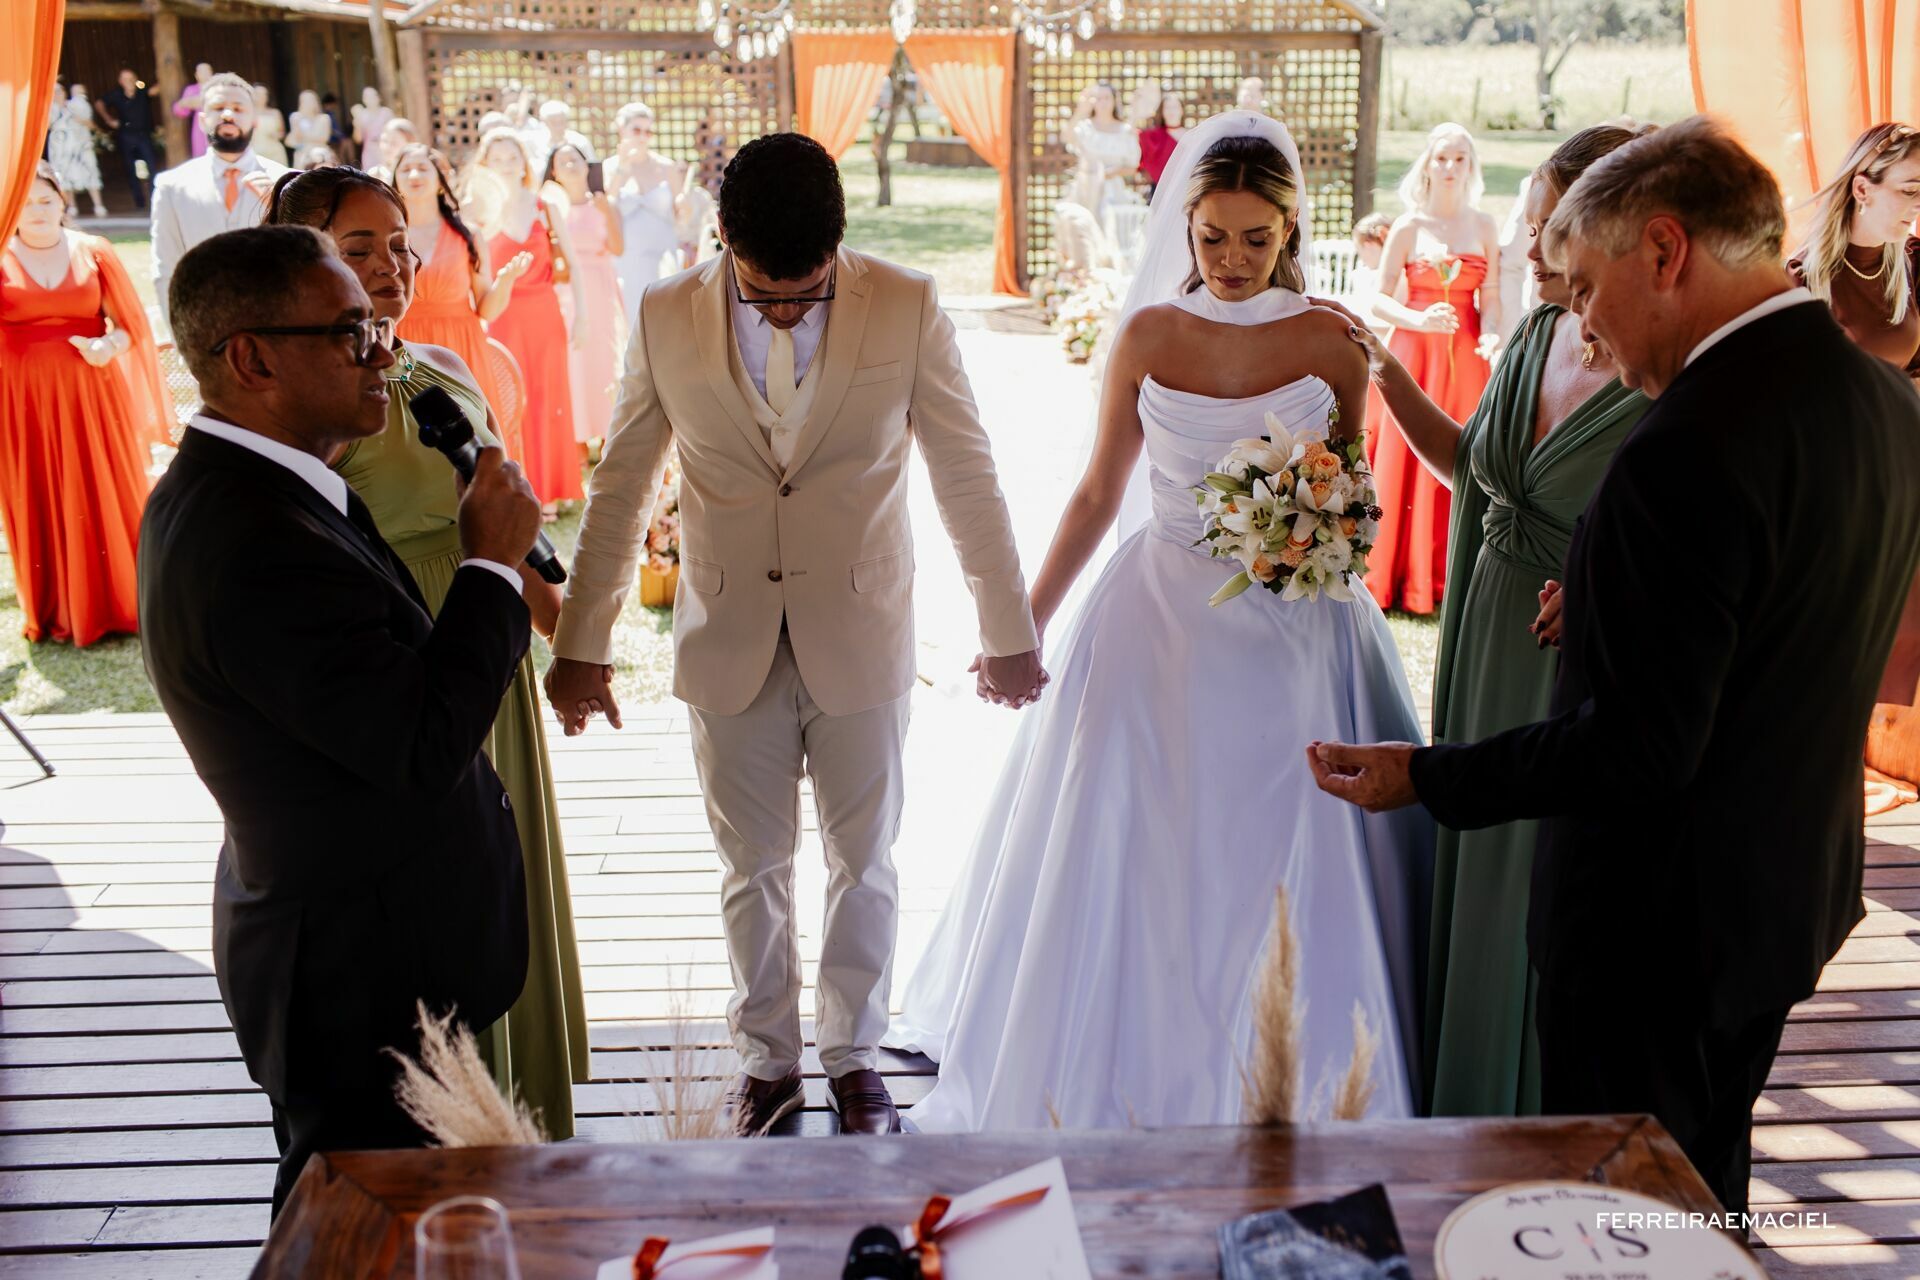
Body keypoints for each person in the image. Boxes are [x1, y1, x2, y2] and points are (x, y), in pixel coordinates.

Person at [1306, 117, 1920, 1215]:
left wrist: (1428, 775)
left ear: (1666, 252)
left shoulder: (1678, 452)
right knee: (1705, 1185)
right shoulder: (1881, 400)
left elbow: (1636, 748)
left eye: (1585, 285)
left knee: (1618, 1216)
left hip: (1654, 933)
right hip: (1782, 899)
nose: (1579, 321)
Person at [891, 113, 1432, 1133]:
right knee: (1138, 832)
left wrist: (1310, 540)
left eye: (1254, 239)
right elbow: (1100, 491)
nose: (1231, 260)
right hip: (1160, 624)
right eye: (1212, 237)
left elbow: (1347, 490)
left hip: (1297, 626)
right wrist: (1026, 624)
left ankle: (1307, 1049)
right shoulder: (1145, 336)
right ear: (1183, 228)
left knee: (1294, 830)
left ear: (1289, 230)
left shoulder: (1332, 340)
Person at [543, 133, 1042, 1138]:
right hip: (726, 633)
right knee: (752, 865)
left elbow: (966, 473)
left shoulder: (905, 305)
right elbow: (623, 479)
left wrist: (1007, 626)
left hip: (861, 627)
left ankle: (854, 1050)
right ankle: (767, 1059)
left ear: (841, 246)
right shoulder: (665, 312)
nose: (784, 310)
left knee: (867, 856)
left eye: (806, 294)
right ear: (720, 237)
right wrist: (582, 641)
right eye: (763, 292)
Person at [140, 223, 541, 1213]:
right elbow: (417, 742)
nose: (384, 351)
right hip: (349, 966)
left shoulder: (272, 486)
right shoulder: (256, 538)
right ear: (254, 358)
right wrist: (491, 564)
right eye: (351, 332)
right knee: (352, 1222)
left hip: (369, 929)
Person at [265, 166, 590, 1142]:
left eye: (398, 245)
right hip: (398, 676)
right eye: (358, 250)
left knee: (501, 881)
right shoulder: (312, 402)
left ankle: (517, 1120)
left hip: (492, 667)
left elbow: (505, 517)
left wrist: (566, 640)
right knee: (427, 908)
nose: (391, 268)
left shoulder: (444, 371)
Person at [1334, 125, 1653, 1119]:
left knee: (1538, 882)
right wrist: (1386, 371)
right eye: (1524, 221)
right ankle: (1456, 1098)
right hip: (1482, 632)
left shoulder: (1659, 376)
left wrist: (1603, 583)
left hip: (1569, 658)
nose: (1524, 245)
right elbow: (1471, 467)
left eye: (1544, 227)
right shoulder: (1528, 337)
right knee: (1470, 853)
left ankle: (1522, 1110)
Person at [1788, 123, 1920, 814]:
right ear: (1862, 187)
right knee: (1835, 635)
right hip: (1836, 485)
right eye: (1908, 191)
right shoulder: (1803, 278)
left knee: (1897, 635)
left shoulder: (1914, 261)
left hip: (1906, 472)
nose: (1915, 207)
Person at [1, 164, 167, 647]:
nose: (37, 211)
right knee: (39, 492)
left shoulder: (94, 251)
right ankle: (55, 607)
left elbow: (129, 325)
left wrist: (107, 347)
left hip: (94, 397)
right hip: (24, 402)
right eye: (27, 202)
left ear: (63, 201)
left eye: (46, 200)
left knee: (105, 489)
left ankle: (118, 602)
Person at [1365, 122, 1502, 616]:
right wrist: (1417, 318)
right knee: (1406, 456)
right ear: (1428, 163)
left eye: (1459, 158)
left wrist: (1491, 333)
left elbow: (1491, 297)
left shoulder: (1484, 225)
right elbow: (1379, 300)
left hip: (1464, 354)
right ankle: (1396, 576)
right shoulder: (1408, 226)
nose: (1450, 167)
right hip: (1415, 352)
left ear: (1471, 166)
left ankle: (1444, 578)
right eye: (1442, 158)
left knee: (1461, 455)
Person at [469, 127, 583, 514]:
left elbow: (575, 264)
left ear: (523, 163)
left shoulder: (543, 206)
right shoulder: (478, 212)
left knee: (547, 397)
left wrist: (581, 316)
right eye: (496, 158)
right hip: (502, 317)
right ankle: (517, 484)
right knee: (509, 399)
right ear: (485, 165)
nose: (504, 165)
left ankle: (549, 491)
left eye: (511, 157)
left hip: (545, 314)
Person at [392, 143, 524, 450]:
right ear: (395, 178)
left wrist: (504, 282)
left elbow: (486, 310)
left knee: (473, 437)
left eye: (423, 167)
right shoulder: (388, 234)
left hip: (462, 347)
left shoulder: (469, 233)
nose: (414, 174)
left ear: (440, 178)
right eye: (406, 168)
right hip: (406, 345)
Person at [151, 75, 291, 327]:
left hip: (274, 327)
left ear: (255, 120)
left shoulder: (286, 181)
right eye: (218, 108)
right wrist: (182, 341)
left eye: (238, 109)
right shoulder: (171, 186)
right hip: (204, 329)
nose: (228, 114)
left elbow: (305, 261)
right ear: (203, 120)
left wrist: (281, 208)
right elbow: (166, 270)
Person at [545, 142, 626, 461]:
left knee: (605, 357)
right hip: (568, 290)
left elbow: (618, 248)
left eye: (575, 159)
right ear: (553, 172)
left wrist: (606, 211)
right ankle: (576, 438)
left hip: (601, 285)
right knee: (574, 360)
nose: (570, 165)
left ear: (586, 164)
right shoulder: (552, 208)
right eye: (562, 161)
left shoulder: (603, 203)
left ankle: (608, 431)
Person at [609, 102, 689, 328]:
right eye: (636, 130)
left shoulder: (666, 167)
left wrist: (684, 204)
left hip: (662, 252)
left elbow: (680, 211)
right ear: (621, 130)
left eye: (648, 131)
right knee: (631, 321)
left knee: (665, 320)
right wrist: (622, 168)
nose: (642, 137)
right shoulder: (610, 167)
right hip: (628, 257)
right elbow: (605, 206)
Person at [1063, 82, 1141, 226]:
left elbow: (1133, 166)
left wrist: (1113, 172)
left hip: (1114, 194)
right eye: (1098, 98)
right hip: (1086, 190)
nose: (1103, 102)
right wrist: (1080, 111)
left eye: (1107, 98)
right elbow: (1067, 137)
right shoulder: (1085, 128)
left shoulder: (1124, 130)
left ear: (1114, 101)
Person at [97, 70, 161, 211]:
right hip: (126, 136)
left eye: (131, 78)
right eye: (125, 79)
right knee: (131, 170)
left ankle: (154, 199)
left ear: (135, 79)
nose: (128, 81)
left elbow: (157, 89)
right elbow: (99, 103)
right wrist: (109, 120)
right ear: (120, 81)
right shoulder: (116, 95)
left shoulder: (142, 92)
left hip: (144, 136)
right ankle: (139, 202)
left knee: (151, 167)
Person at [47, 83, 108, 219]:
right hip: (61, 149)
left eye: (59, 91)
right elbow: (46, 126)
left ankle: (98, 205)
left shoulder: (77, 106)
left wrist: (77, 118)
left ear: (64, 92)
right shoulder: (50, 110)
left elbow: (91, 125)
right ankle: (72, 206)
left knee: (90, 172)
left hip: (81, 147)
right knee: (64, 176)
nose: (57, 94)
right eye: (54, 92)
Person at [1137, 89, 1188, 194]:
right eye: (1167, 107)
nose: (1171, 111)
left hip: (1185, 189)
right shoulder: (1152, 136)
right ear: (1162, 111)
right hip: (1159, 189)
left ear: (1182, 110)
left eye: (1175, 107)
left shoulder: (1191, 135)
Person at [173, 62, 213, 158]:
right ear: (196, 75)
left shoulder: (219, 88)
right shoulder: (191, 90)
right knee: (200, 156)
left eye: (206, 71)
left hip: (215, 123)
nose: (204, 74)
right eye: (201, 72)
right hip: (199, 128)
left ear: (212, 73)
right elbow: (181, 111)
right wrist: (183, 103)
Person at [251, 84, 288, 166]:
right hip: (256, 151)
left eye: (264, 94)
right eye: (258, 94)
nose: (261, 97)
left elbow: (282, 133)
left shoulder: (275, 112)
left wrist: (276, 135)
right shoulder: (248, 113)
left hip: (275, 151)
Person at [287, 91, 333, 156]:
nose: (308, 104)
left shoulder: (324, 118)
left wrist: (304, 138)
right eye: (305, 101)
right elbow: (291, 140)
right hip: (302, 154)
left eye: (311, 100)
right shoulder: (296, 117)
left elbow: (325, 139)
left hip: (320, 153)